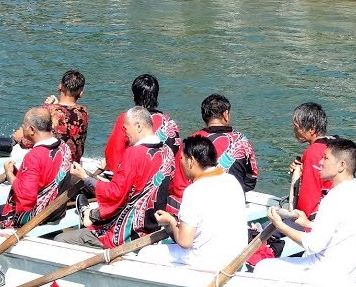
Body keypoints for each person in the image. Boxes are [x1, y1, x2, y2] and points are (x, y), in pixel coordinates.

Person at [253, 138, 356, 285]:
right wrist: (307, 223)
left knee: (262, 267)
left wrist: (280, 226)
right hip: (353, 272)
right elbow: (341, 229)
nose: (321, 162)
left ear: (341, 165)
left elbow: (314, 245)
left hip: (330, 273)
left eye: (326, 158)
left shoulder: (334, 197)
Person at [58, 106, 175, 249]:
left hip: (126, 233)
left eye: (125, 129)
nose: (125, 134)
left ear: (138, 126)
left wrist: (84, 177)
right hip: (152, 226)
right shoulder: (167, 152)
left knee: (60, 239)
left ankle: (88, 216)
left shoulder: (134, 153)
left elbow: (115, 193)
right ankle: (89, 215)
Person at [140, 135, 248, 270]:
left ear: (191, 161)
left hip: (207, 260)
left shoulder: (194, 190)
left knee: (146, 253)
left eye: (182, 158)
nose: (180, 163)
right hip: (236, 258)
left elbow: (185, 242)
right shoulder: (232, 181)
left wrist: (171, 222)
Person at [0, 107, 73, 229]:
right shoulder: (63, 147)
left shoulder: (34, 156)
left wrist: (9, 175)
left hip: (36, 216)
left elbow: (26, 197)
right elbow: (43, 178)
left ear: (32, 130)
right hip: (55, 211)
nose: (22, 127)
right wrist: (18, 173)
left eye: (24, 125)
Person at [168, 93, 259, 203]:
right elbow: (251, 179)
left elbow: (177, 185)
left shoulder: (190, 143)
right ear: (226, 114)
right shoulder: (242, 141)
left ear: (204, 116)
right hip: (233, 202)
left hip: (198, 204)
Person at [102, 74, 181, 171]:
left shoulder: (127, 119)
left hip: (137, 175)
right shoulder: (169, 122)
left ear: (134, 97)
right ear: (156, 96)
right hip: (166, 175)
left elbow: (113, 153)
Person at [289, 102, 336, 217]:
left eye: (296, 127)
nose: (294, 131)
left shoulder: (313, 152)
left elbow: (309, 195)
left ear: (311, 129)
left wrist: (301, 218)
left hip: (320, 216)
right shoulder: (334, 144)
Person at [41, 69, 90, 162]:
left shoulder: (48, 110)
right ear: (81, 93)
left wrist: (47, 106)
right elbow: (68, 114)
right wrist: (56, 105)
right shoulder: (84, 112)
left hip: (52, 163)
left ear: (60, 86)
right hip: (72, 163)